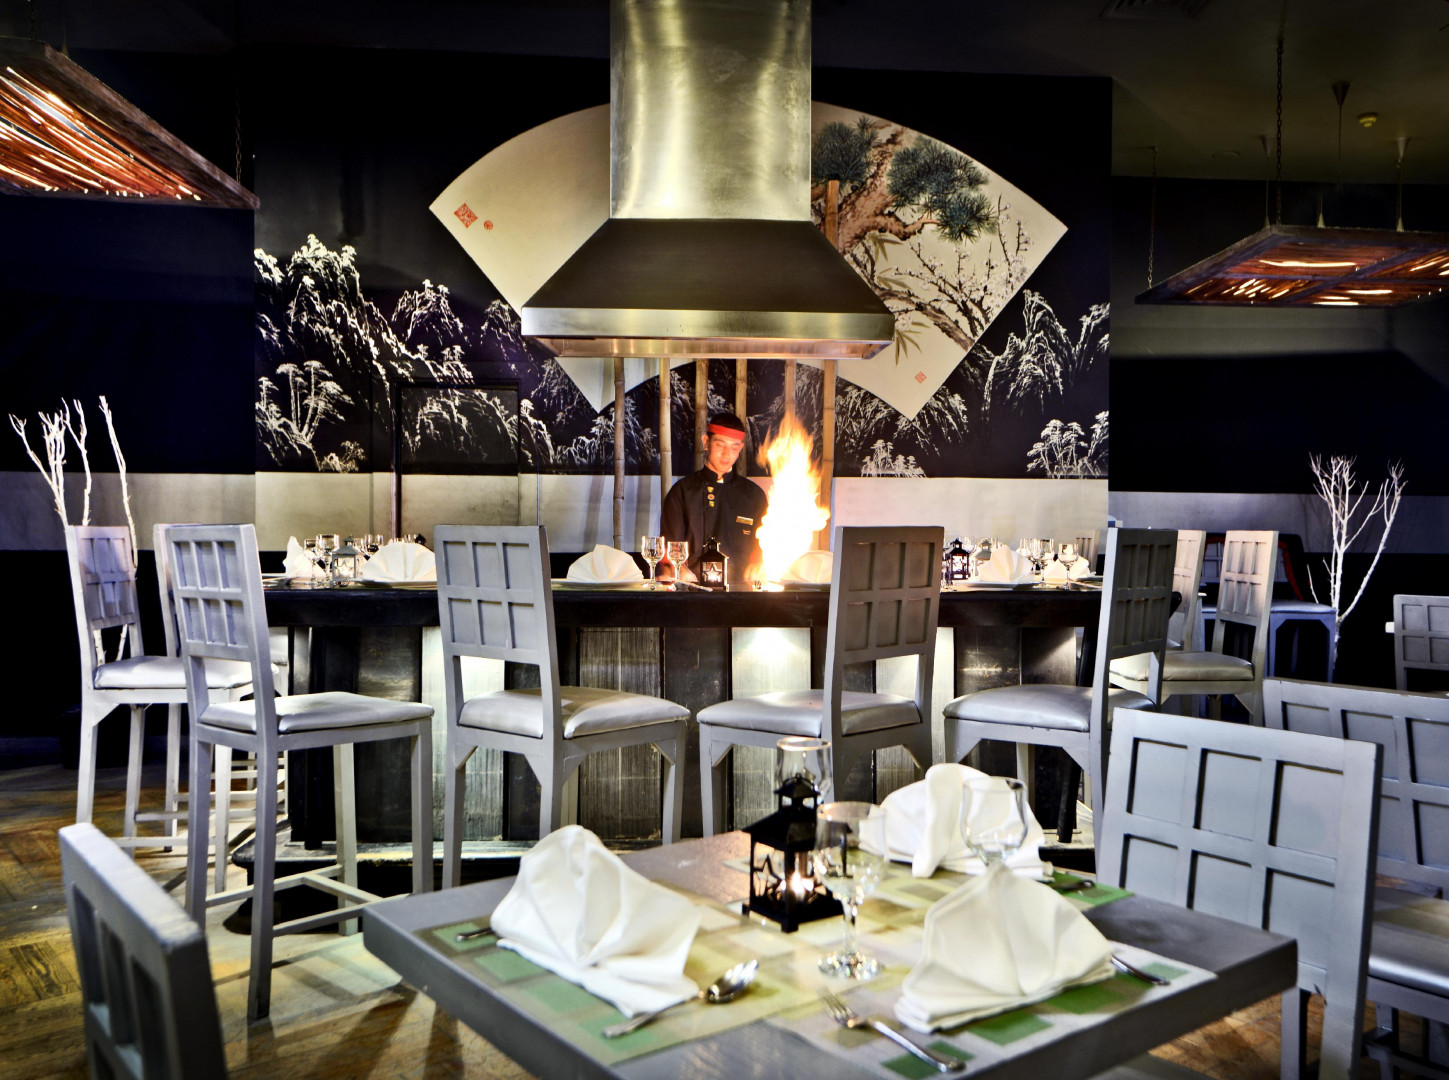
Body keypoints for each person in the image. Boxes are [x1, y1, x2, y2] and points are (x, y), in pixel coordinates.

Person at [659, 412, 767, 583]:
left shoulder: (754, 495)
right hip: (695, 588)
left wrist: (759, 564)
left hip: (744, 591)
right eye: (720, 445)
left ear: (740, 448)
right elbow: (669, 550)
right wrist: (678, 569)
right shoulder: (682, 492)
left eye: (734, 448)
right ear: (706, 442)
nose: (726, 454)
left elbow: (764, 547)